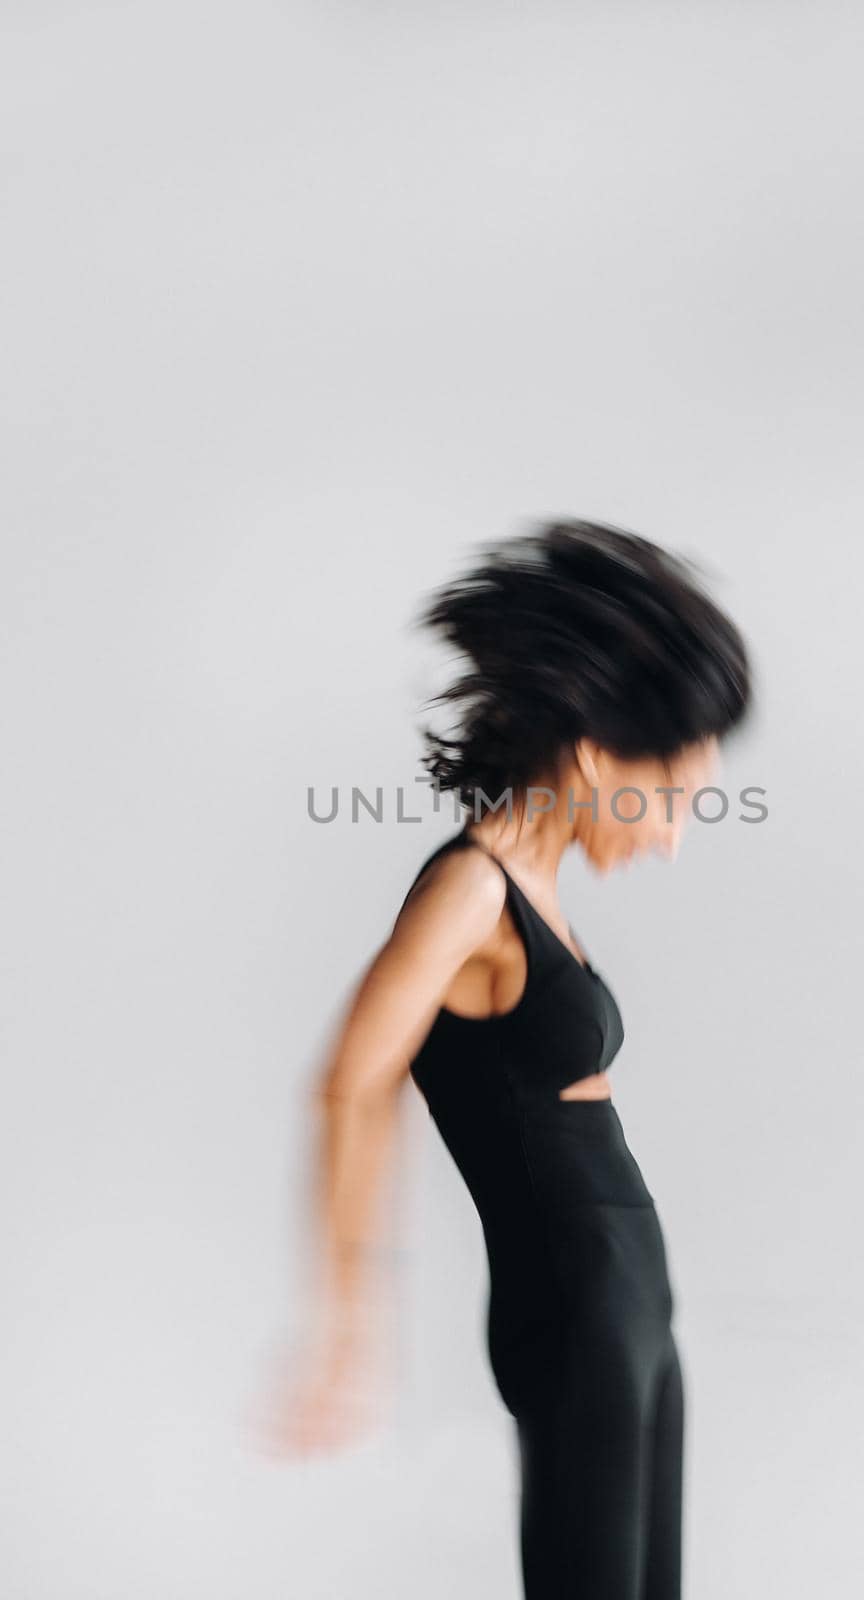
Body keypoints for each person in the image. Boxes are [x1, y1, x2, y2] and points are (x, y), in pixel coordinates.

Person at [268, 518, 752, 1599]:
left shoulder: (532, 891)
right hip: (576, 1303)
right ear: (594, 756)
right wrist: (350, 1321)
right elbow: (352, 1079)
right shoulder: (472, 889)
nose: (673, 833)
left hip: (627, 1299)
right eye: (672, 794)